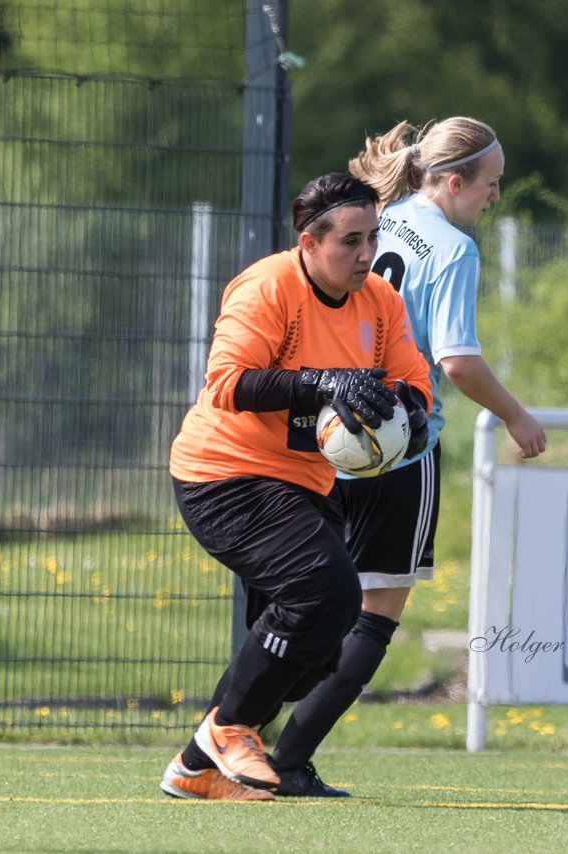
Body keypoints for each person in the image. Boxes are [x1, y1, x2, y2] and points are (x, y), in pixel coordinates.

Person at [267, 118, 547, 796]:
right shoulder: (454, 248)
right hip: (399, 441)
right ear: (454, 182)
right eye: (490, 184)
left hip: (330, 432)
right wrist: (515, 414)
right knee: (376, 610)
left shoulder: (379, 220)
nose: (495, 198)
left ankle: (234, 735)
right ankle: (288, 759)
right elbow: (455, 359)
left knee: (309, 597)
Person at [159, 172, 433, 801]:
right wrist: (326, 382)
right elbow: (227, 383)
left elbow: (413, 379)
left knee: (322, 649)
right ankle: (230, 729)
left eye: (372, 238)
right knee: (325, 591)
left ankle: (196, 765)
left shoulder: (380, 302)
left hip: (304, 484)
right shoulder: (268, 286)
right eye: (350, 241)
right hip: (223, 475)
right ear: (309, 244)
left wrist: (408, 413)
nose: (366, 254)